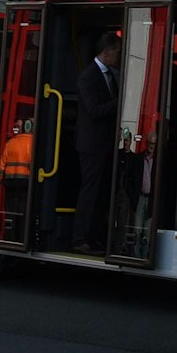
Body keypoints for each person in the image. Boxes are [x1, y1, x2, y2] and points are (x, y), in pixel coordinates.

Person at [73, 32, 122, 253]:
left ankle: (94, 236)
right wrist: (118, 103)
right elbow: (93, 110)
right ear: (107, 51)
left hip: (105, 144)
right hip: (91, 146)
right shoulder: (88, 76)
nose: (118, 56)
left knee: (101, 193)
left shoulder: (111, 74)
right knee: (90, 192)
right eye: (117, 52)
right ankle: (80, 238)